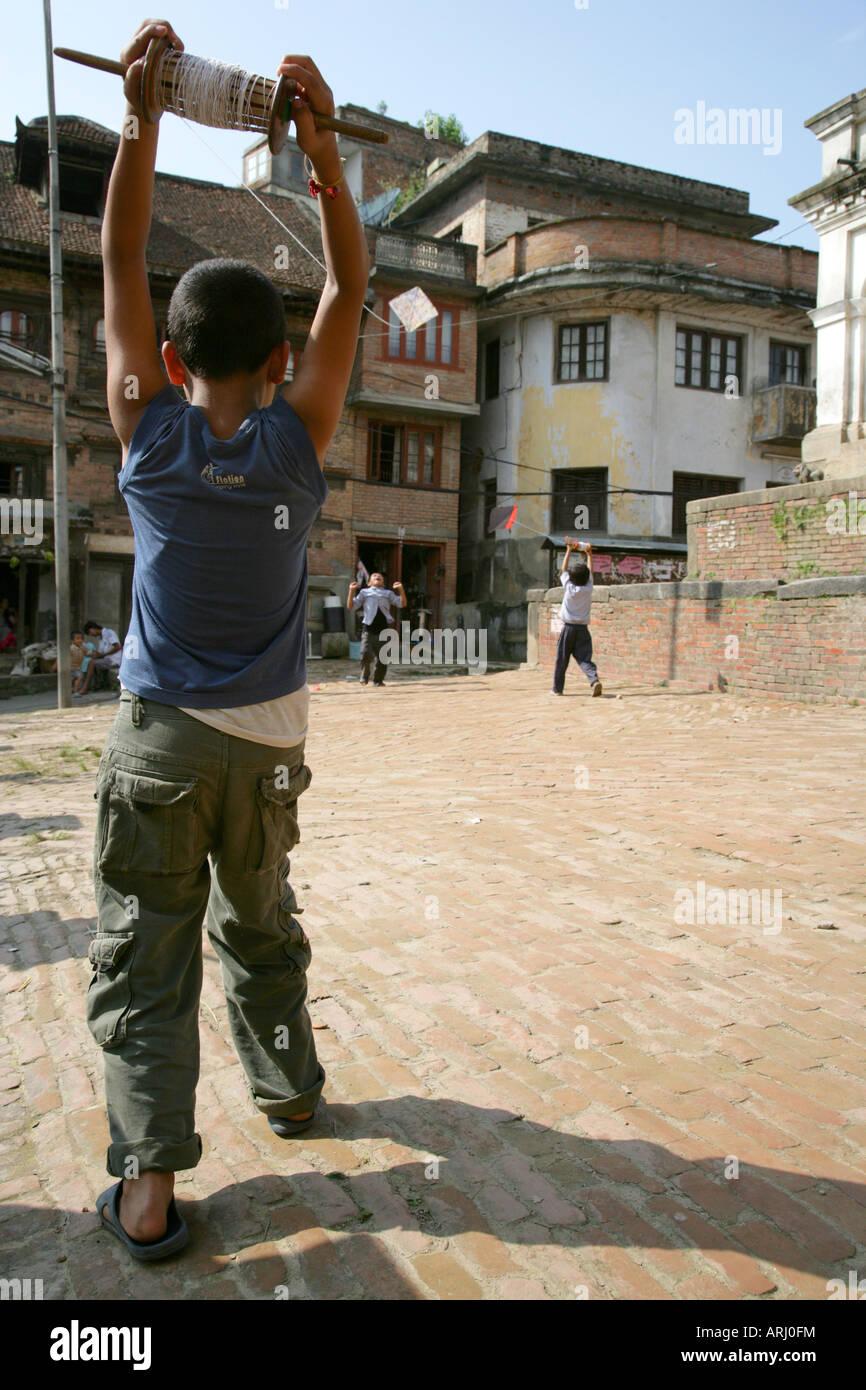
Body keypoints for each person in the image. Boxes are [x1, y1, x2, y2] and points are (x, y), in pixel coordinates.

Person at [88, 19, 369, 1260]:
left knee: (145, 954)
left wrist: (145, 112)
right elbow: (353, 289)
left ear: (165, 358)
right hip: (267, 749)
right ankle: (291, 1090)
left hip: (156, 746)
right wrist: (322, 154)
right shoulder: (294, 445)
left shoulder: (145, 435)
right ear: (274, 359)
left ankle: (148, 1192)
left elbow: (122, 251)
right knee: (259, 922)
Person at [551, 537, 603, 697]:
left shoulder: (569, 587)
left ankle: (557, 689)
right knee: (585, 658)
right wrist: (589, 554)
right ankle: (594, 680)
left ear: (571, 578)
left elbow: (563, 570)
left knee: (562, 659)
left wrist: (568, 549)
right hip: (583, 630)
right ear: (587, 578)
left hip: (568, 629)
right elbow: (590, 571)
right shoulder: (588, 588)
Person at [347, 572, 405, 685]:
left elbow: (402, 603)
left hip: (384, 630)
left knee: (383, 658)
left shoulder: (388, 593)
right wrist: (351, 591)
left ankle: (378, 680)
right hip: (368, 628)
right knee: (365, 653)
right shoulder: (364, 593)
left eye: (380, 577)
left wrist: (401, 589)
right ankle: (364, 676)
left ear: (383, 583)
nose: (377, 577)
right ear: (369, 583)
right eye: (374, 576)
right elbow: (351, 606)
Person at [74, 621, 122, 695]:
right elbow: (100, 653)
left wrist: (103, 655)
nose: (92, 635)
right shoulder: (101, 638)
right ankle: (95, 685)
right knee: (90, 661)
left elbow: (117, 647)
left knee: (92, 663)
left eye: (90, 632)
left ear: (93, 628)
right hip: (106, 659)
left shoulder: (108, 633)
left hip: (114, 659)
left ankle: (85, 688)